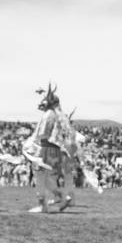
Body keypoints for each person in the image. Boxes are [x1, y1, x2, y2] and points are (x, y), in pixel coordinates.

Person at [25, 84, 77, 213]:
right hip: (55, 150)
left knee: (40, 176)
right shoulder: (60, 115)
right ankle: (63, 198)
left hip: (45, 148)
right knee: (48, 178)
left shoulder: (49, 114)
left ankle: (42, 204)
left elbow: (42, 133)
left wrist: (32, 143)